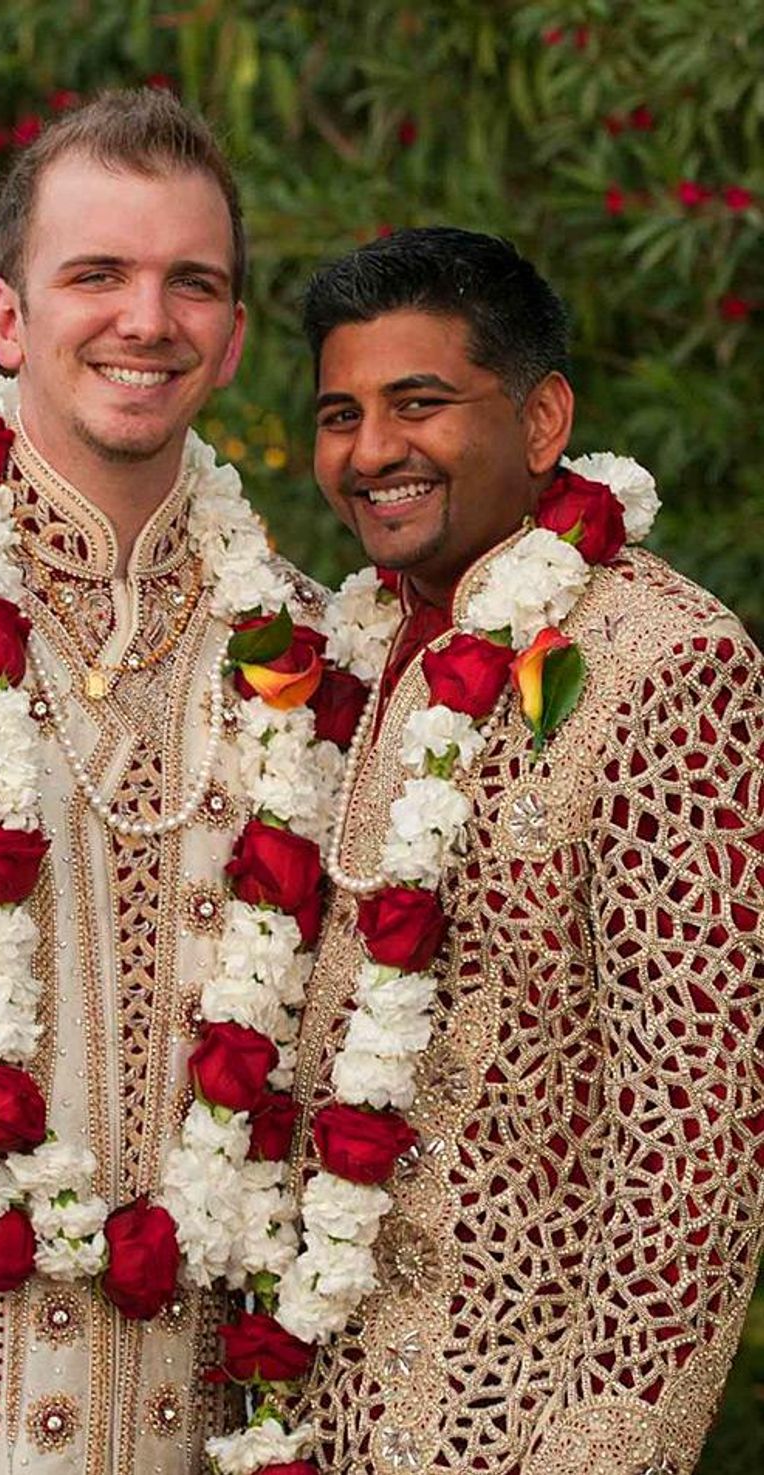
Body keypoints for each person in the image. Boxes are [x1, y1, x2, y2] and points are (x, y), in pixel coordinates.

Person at [0, 88, 325, 1474]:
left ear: (233, 337)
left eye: (190, 282)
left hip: (198, 1430)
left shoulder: (306, 654)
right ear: (7, 317)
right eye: (97, 273)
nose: (146, 319)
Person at [284, 228, 764, 1474]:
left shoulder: (665, 664)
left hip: (512, 1417)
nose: (371, 450)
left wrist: (606, 1445)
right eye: (340, 413)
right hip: (301, 1407)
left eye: (419, 403)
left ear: (542, 417)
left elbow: (697, 1127)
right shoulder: (333, 656)